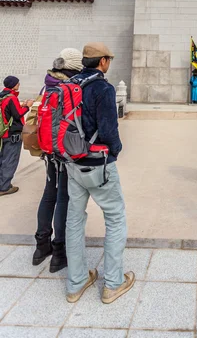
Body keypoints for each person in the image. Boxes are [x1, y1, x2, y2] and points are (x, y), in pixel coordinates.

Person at [65, 42, 134, 305]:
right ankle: (113, 283)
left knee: (74, 220)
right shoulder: (103, 88)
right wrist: (115, 150)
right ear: (103, 61)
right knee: (115, 218)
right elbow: (108, 129)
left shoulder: (69, 86)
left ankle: (76, 282)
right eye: (109, 59)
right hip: (98, 164)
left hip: (72, 163)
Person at [31, 48, 83, 272]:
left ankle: (41, 247)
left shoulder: (47, 85)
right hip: (64, 153)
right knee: (64, 199)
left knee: (48, 195)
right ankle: (59, 252)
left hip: (47, 152)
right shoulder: (71, 88)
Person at [0, 76, 33, 196]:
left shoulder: (2, 96)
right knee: (10, 160)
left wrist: (21, 105)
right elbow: (18, 114)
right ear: (13, 85)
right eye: (18, 83)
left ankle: (1, 183)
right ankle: (4, 187)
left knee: (2, 158)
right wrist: (27, 106)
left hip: (2, 132)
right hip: (12, 134)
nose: (19, 84)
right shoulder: (11, 98)